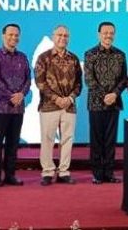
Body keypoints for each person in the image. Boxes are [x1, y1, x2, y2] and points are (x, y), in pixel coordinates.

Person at [34, 25, 82, 186]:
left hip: (69, 106)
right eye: (59, 35)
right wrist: (56, 98)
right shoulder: (43, 58)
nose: (63, 38)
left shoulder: (74, 59)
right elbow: (40, 82)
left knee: (67, 139)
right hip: (49, 106)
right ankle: (47, 172)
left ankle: (64, 172)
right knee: (47, 139)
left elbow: (79, 84)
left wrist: (70, 98)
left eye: (66, 35)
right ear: (53, 36)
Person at [0, 23, 31, 187]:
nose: (14, 37)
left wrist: (21, 94)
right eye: (10, 34)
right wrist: (11, 96)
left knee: (13, 143)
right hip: (0, 107)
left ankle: (10, 175)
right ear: (3, 36)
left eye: (16, 35)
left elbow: (28, 79)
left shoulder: (22, 57)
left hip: (18, 108)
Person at [84, 21, 127, 184]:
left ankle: (109, 173)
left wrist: (114, 94)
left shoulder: (120, 54)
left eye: (111, 33)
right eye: (105, 33)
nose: (108, 35)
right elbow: (89, 79)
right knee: (97, 139)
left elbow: (124, 79)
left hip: (114, 103)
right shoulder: (90, 54)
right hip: (96, 103)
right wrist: (105, 95)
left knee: (110, 140)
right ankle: (97, 173)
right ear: (99, 34)